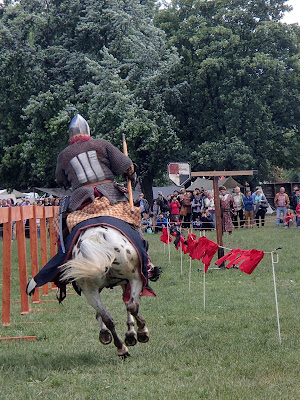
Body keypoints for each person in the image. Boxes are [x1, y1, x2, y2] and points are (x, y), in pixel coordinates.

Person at [26, 113, 159, 298]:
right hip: (110, 197)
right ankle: (147, 263)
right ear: (88, 131)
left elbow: (61, 180)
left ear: (70, 135)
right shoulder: (101, 144)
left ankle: (66, 266)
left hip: (82, 203)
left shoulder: (63, 155)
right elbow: (126, 166)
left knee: (65, 231)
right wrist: (132, 173)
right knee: (132, 218)